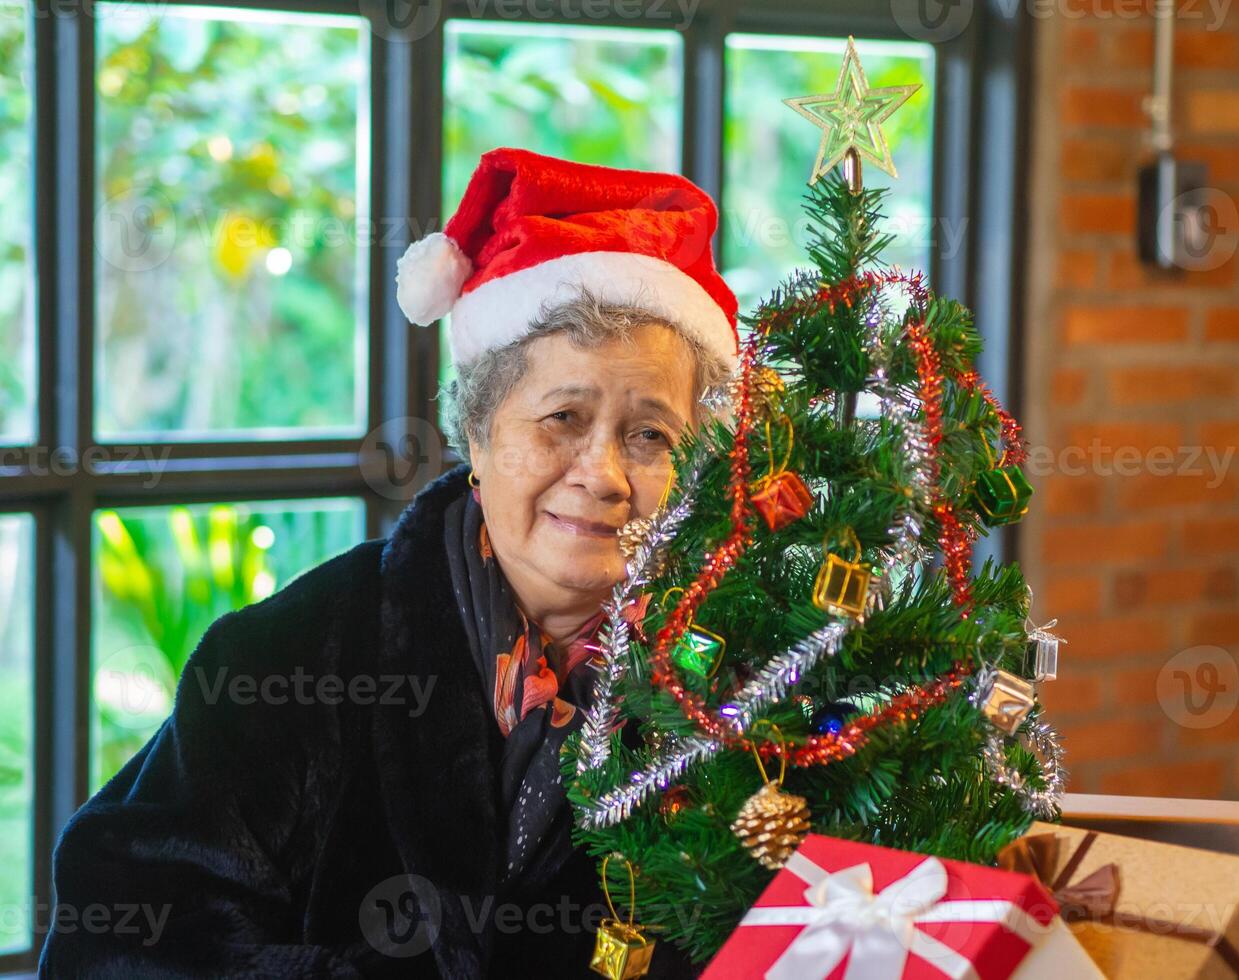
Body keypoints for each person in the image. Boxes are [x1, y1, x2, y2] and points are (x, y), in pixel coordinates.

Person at [37, 146, 738, 978]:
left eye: (649, 435)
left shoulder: (743, 679)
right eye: (561, 419)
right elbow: (118, 945)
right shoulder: (288, 658)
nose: (604, 475)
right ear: (477, 433)